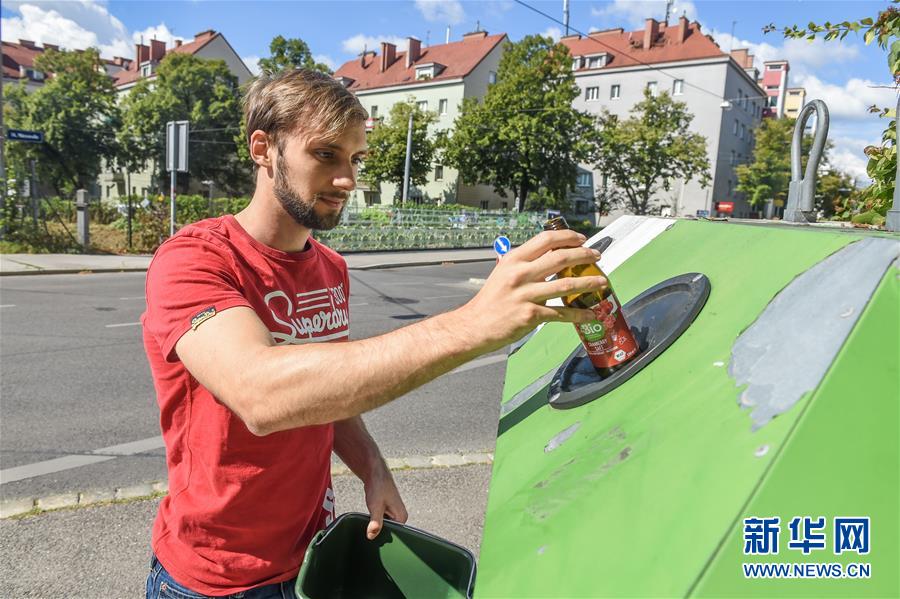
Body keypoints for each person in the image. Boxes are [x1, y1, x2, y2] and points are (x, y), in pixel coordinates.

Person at [142, 68, 607, 598]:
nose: (347, 180)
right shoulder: (195, 259)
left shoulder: (330, 268)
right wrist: (473, 323)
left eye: (354, 159)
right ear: (263, 148)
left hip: (312, 558)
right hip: (214, 580)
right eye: (326, 155)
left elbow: (325, 392)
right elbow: (261, 393)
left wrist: (372, 466)